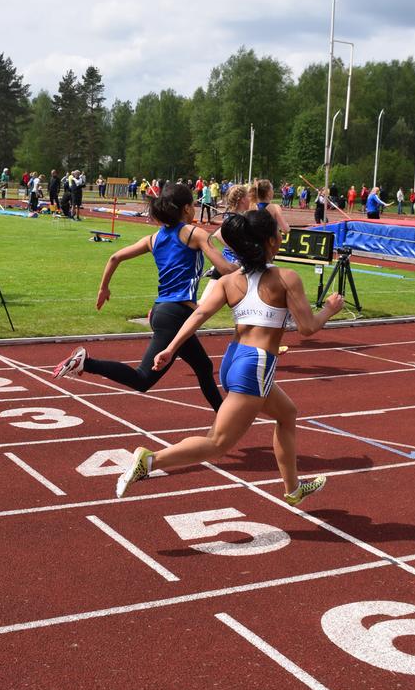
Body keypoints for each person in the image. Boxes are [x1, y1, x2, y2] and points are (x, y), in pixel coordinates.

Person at [114, 208, 345, 504]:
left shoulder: (228, 280)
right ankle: (149, 461)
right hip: (256, 364)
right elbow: (308, 327)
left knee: (287, 414)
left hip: (233, 360)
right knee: (217, 443)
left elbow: (199, 314)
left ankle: (293, 489)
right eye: (278, 234)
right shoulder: (287, 278)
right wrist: (329, 308)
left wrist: (171, 348)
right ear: (270, 242)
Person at [52, 183, 235, 409]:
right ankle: (87, 363)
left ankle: (224, 418)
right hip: (176, 315)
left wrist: (104, 289)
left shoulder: (154, 238)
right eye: (194, 205)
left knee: (204, 367)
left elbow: (115, 258)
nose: (196, 208)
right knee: (142, 379)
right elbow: (225, 269)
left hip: (164, 312)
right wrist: (250, 266)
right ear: (187, 208)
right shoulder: (193, 233)